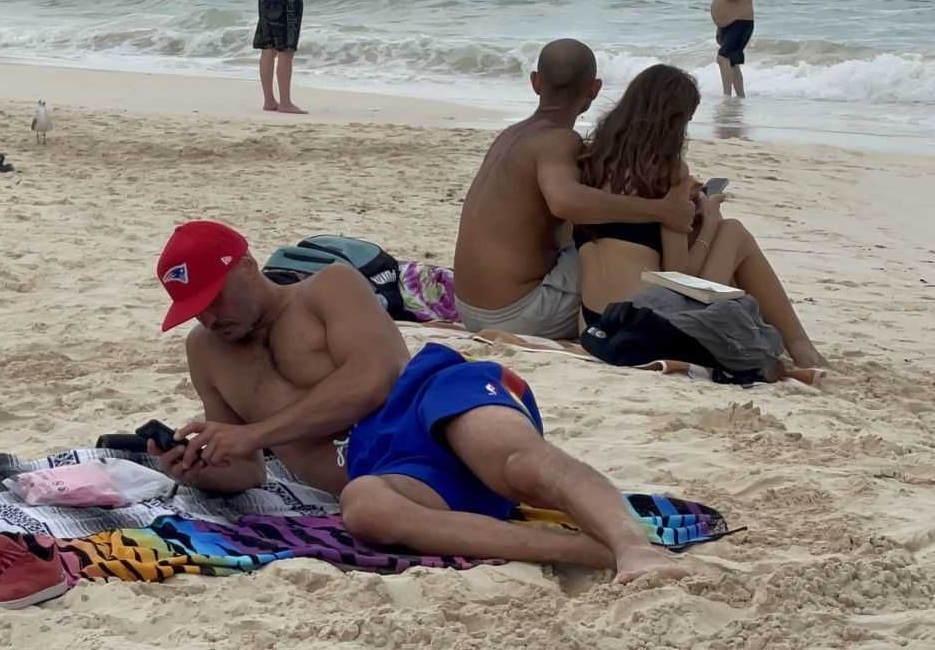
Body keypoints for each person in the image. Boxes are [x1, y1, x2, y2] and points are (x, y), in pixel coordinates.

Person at [150, 220, 685, 584]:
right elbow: (247, 474)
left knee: (516, 460)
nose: (209, 318)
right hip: (385, 471)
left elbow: (376, 379)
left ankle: (630, 543)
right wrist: (198, 465)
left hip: (427, 398)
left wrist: (257, 434)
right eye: (194, 309)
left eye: (213, 298)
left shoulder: (327, 289)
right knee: (364, 508)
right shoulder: (207, 351)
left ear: (245, 265)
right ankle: (590, 553)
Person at [575, 64, 826, 369]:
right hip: (646, 320)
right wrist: (709, 219)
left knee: (724, 239)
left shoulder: (589, 161)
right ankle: (802, 347)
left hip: (594, 321)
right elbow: (680, 273)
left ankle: (798, 346)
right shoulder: (668, 175)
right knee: (733, 232)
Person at [452, 39, 696, 339]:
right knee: (622, 245)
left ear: (535, 82)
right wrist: (662, 211)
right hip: (518, 314)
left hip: (468, 308)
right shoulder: (559, 140)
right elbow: (564, 202)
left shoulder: (511, 135)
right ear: (594, 89)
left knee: (596, 234)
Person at [710, 0, 754, 98]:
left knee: (722, 58)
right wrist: (719, 25)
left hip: (740, 23)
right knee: (733, 63)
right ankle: (740, 97)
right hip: (728, 25)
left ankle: (726, 96)